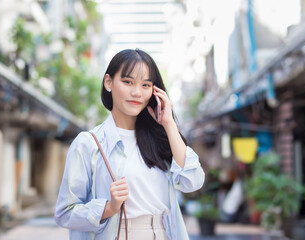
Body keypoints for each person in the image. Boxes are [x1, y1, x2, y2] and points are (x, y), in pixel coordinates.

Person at [54, 49, 205, 240]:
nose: (136, 92)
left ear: (154, 91)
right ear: (108, 82)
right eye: (128, 82)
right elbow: (64, 213)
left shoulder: (160, 140)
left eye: (145, 85)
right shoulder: (89, 144)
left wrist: (169, 123)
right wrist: (108, 208)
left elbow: (193, 181)